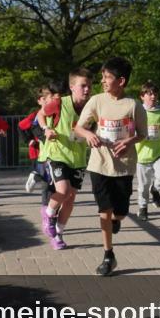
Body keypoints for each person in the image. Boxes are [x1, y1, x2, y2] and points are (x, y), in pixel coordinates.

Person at [74, 57, 148, 277]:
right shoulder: (97, 101)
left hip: (123, 167)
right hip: (99, 164)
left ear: (121, 81)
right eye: (103, 77)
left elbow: (142, 134)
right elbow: (79, 127)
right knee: (104, 210)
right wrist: (88, 134)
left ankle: (117, 220)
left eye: (107, 77)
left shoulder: (133, 105)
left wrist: (128, 141)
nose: (103, 81)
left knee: (120, 212)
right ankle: (108, 255)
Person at [38, 69, 92, 251]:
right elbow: (40, 114)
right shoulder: (59, 103)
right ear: (72, 87)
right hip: (58, 154)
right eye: (82, 86)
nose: (87, 89)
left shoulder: (91, 107)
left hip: (77, 158)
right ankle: (48, 213)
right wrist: (46, 128)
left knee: (70, 198)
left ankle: (59, 235)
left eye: (89, 86)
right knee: (63, 189)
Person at [135, 81, 160, 220]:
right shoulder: (138, 112)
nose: (153, 96)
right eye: (149, 94)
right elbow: (132, 130)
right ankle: (143, 208)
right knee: (143, 186)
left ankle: (155, 189)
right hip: (142, 154)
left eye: (155, 93)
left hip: (159, 151)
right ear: (142, 96)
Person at [20, 83, 60, 195]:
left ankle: (50, 204)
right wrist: (29, 140)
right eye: (44, 98)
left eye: (51, 97)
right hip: (38, 152)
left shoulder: (55, 112)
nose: (47, 101)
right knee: (47, 181)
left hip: (52, 151)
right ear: (39, 101)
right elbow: (22, 126)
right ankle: (36, 176)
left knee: (50, 180)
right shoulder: (35, 115)